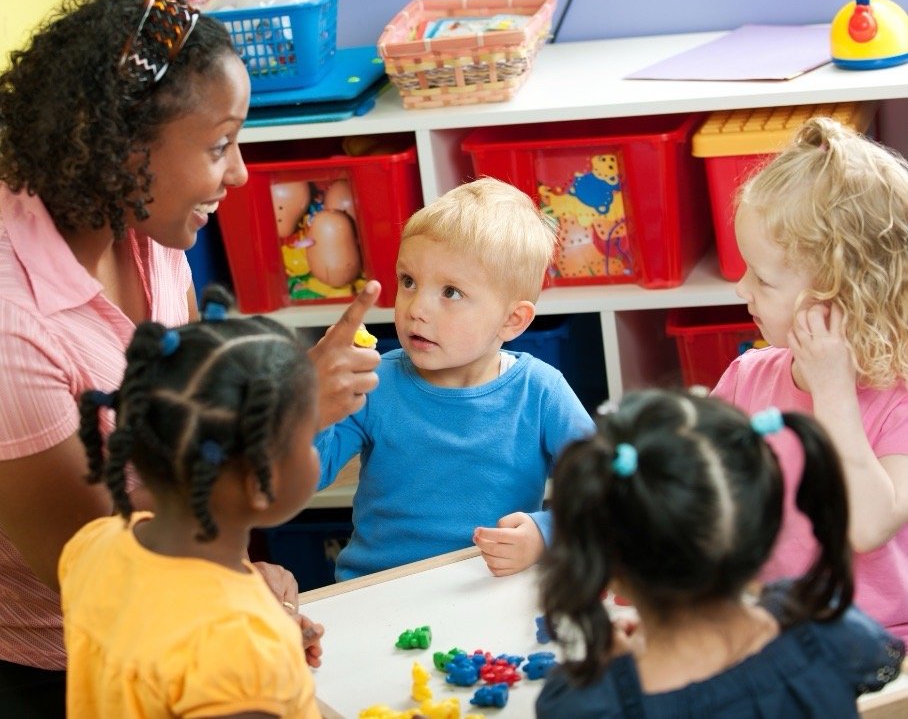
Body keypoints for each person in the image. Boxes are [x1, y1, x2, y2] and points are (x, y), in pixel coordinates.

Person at [0, 0, 379, 714]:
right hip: (49, 665)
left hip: (168, 619)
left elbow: (183, 433)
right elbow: (101, 562)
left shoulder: (150, 227)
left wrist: (241, 586)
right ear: (123, 149)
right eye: (221, 144)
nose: (242, 173)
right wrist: (288, 416)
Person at [536, 389, 906, 717]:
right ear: (763, 527)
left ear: (608, 572)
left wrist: (614, 673)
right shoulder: (827, 629)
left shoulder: (588, 703)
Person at [61, 287, 323, 718]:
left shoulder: (96, 542)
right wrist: (256, 662)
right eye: (311, 435)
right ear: (261, 479)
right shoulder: (235, 648)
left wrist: (269, 652)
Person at [315, 178, 595, 581]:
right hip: (379, 589)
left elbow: (605, 493)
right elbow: (308, 473)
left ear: (512, 320)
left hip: (488, 589)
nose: (416, 309)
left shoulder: (541, 392)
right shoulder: (374, 381)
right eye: (408, 282)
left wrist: (545, 535)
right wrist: (313, 400)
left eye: (450, 292)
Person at [712, 116, 908, 641]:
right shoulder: (747, 378)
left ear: (841, 298)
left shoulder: (900, 404)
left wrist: (833, 389)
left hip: (883, 643)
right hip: (775, 628)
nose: (740, 288)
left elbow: (867, 527)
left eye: (763, 279)